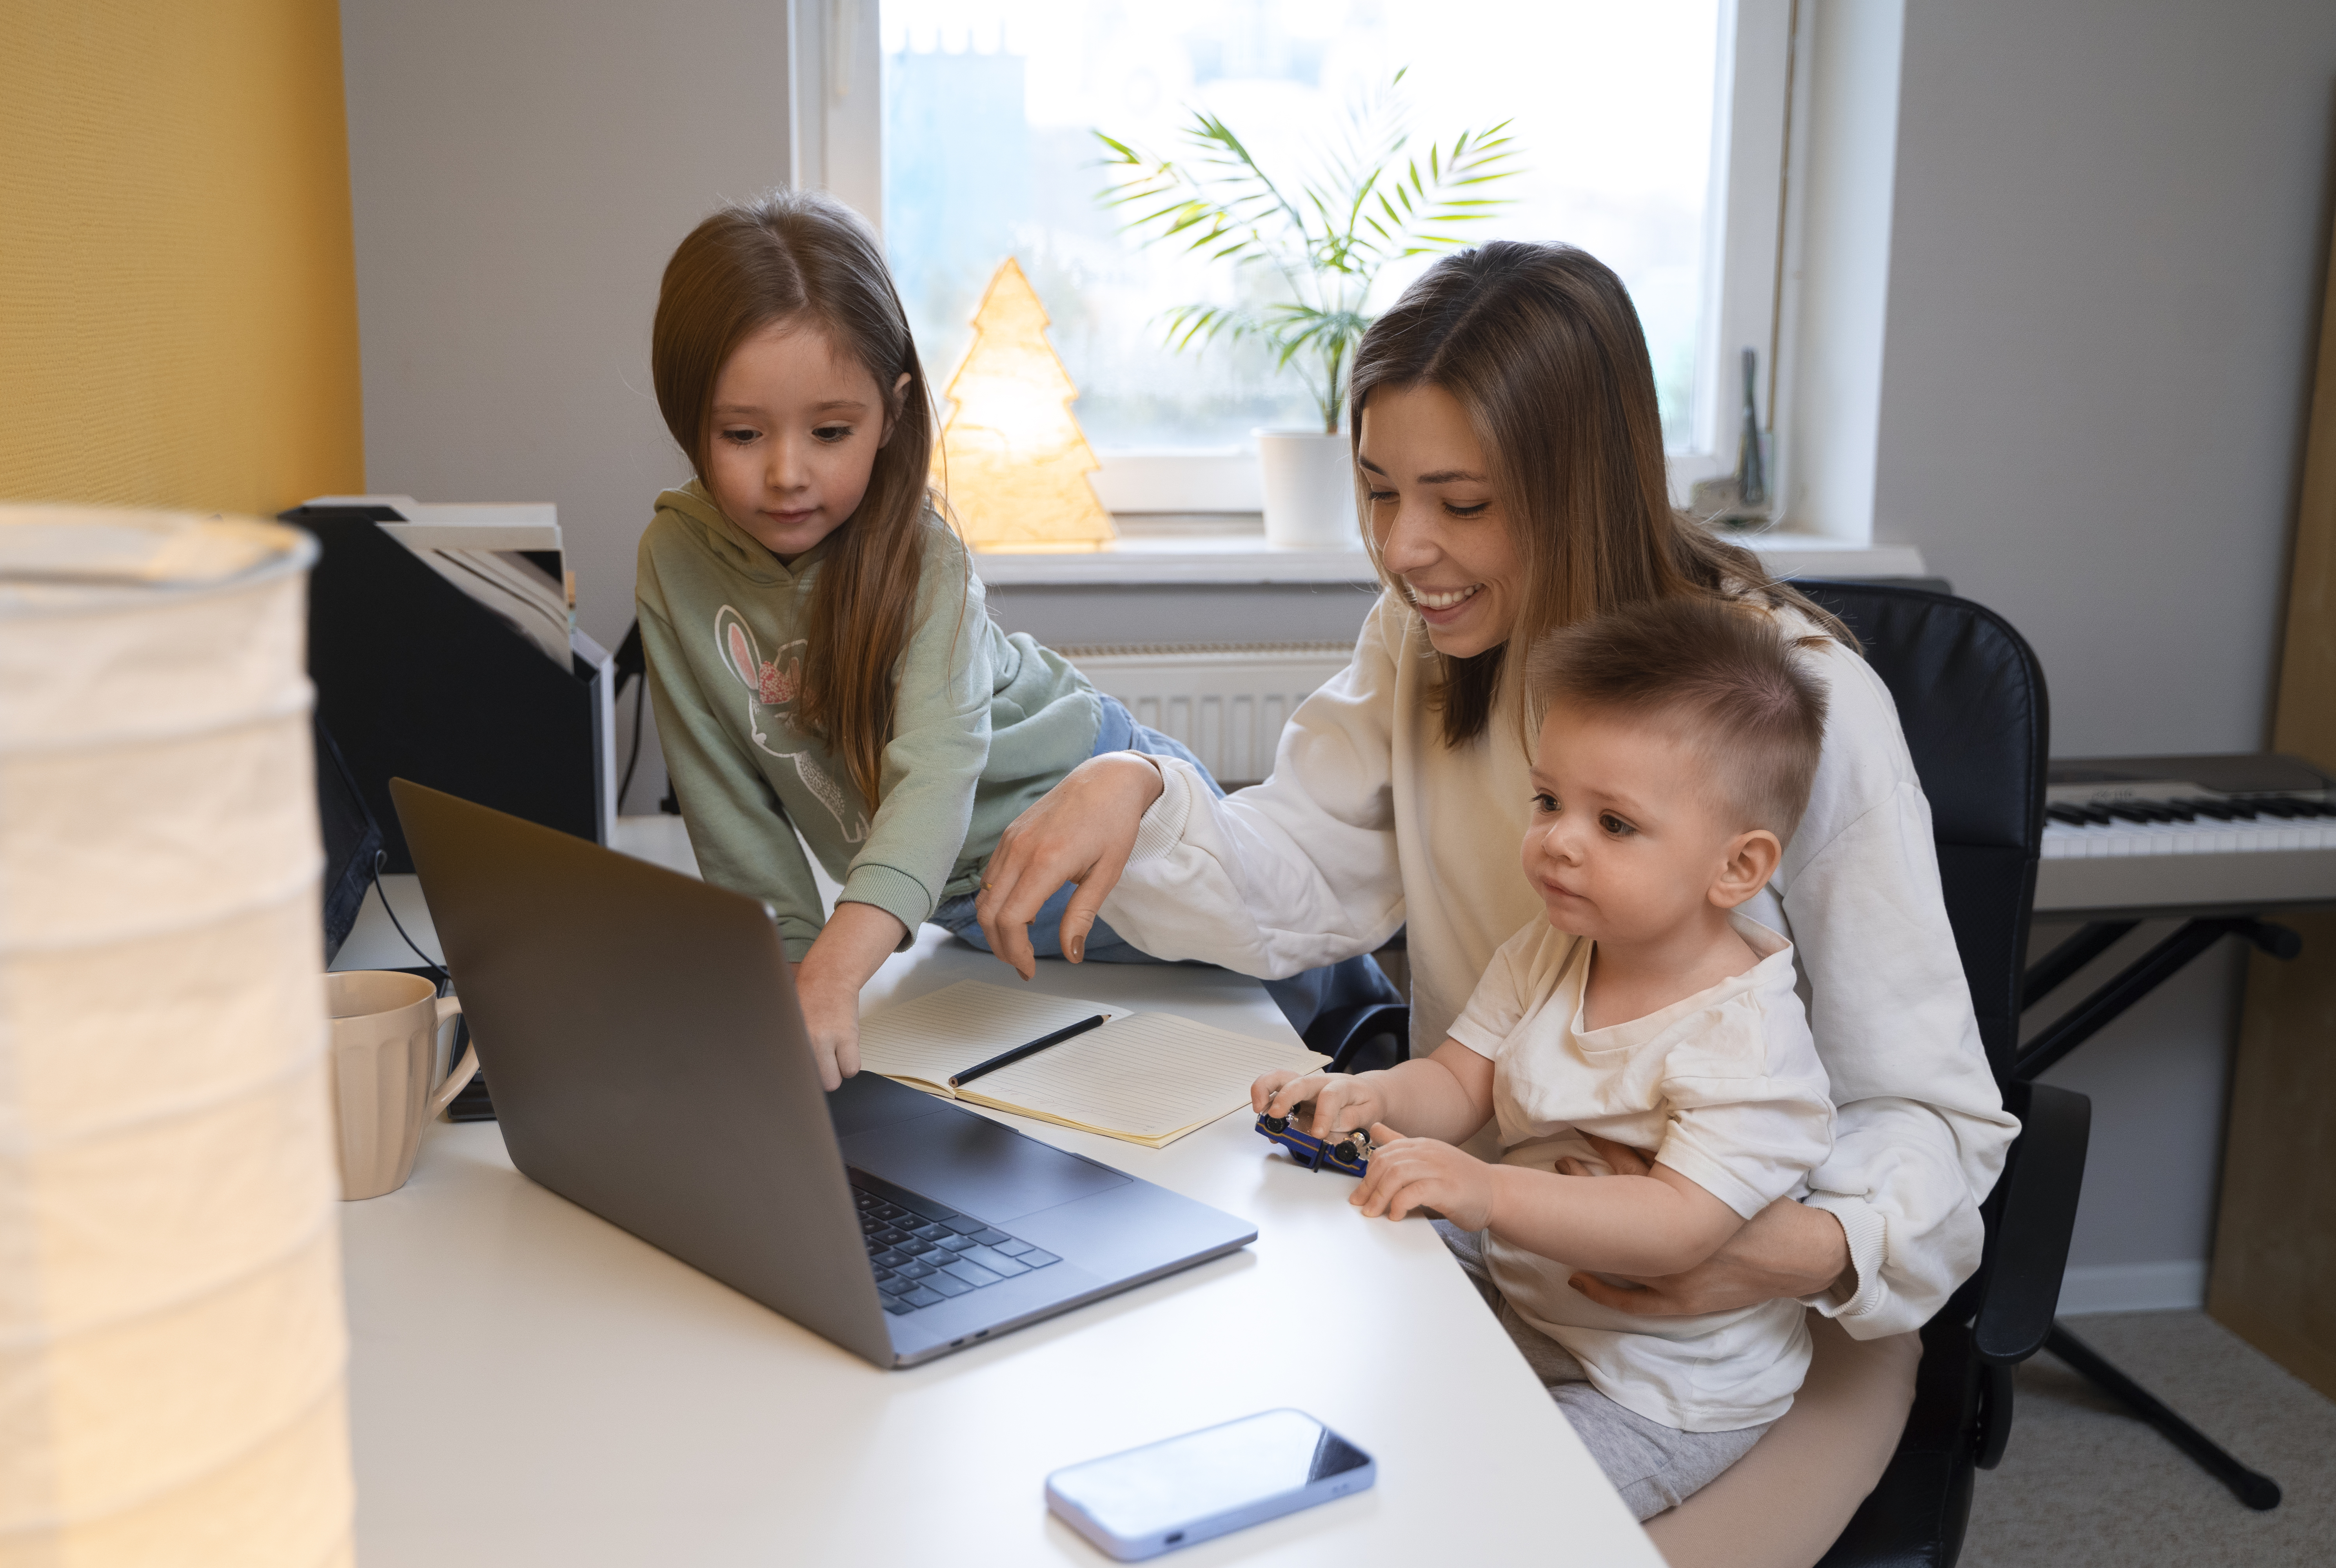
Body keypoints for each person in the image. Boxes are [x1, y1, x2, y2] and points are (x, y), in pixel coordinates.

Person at [972, 241, 2018, 1565]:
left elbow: (1930, 1112)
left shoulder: (1799, 705)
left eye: (1461, 503)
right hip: (1487, 1251)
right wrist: (1138, 782)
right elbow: (1294, 879)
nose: (1409, 550)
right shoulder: (1428, 642)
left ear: (1577, 491)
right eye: (1378, 491)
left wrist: (1759, 1255)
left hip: (1744, 1337)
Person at [636, 189, 1387, 1092]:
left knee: (1292, 978)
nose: (788, 471)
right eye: (742, 434)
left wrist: (834, 973)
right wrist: (795, 982)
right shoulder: (673, 564)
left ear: (893, 412)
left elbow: (934, 781)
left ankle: (1391, 1042)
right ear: (687, 418)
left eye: (832, 432)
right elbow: (731, 814)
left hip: (1105, 814)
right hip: (971, 899)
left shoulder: (925, 556)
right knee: (1180, 1052)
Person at [1253, 597, 1836, 1520]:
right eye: (1550, 800)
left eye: (1614, 824)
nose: (1560, 838)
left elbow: (1680, 1226)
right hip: (1523, 1288)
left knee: (1497, 1512)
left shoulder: (1749, 1042)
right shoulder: (1552, 947)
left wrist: (1485, 1192)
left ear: (1737, 868)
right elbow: (1455, 1080)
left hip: (1655, 1387)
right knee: (1334, 1241)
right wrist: (1360, 1095)